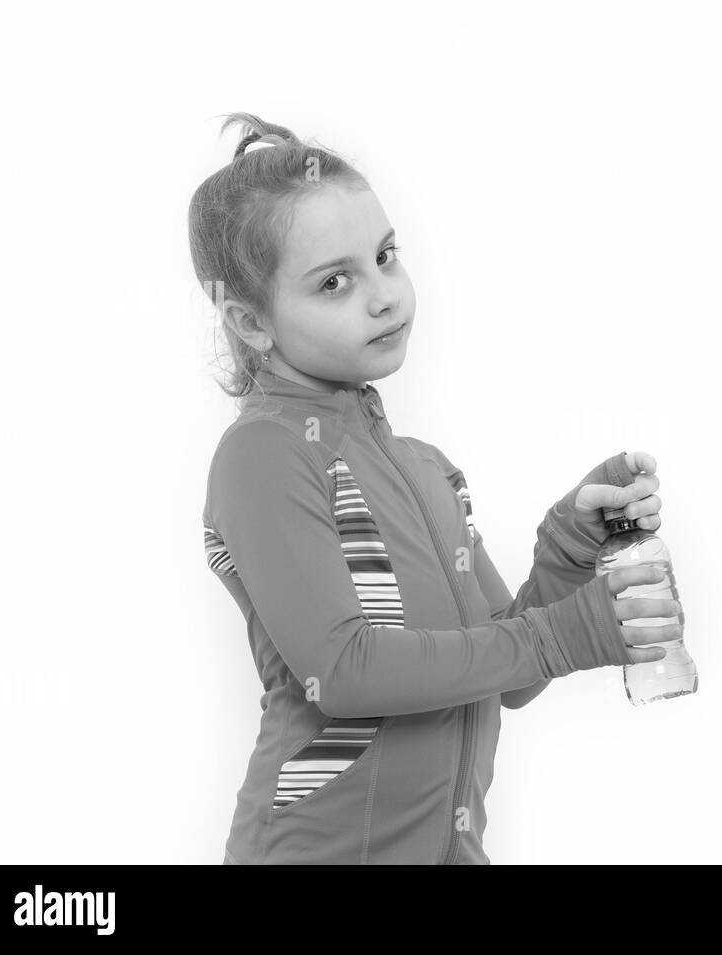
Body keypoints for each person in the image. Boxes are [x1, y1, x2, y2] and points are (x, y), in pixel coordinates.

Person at [190, 113, 680, 864]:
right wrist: (561, 633)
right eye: (335, 281)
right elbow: (347, 673)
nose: (384, 295)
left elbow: (506, 675)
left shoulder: (426, 468)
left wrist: (565, 551)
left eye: (385, 256)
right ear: (250, 322)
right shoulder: (263, 454)